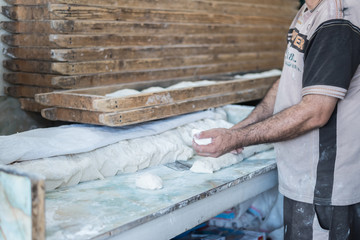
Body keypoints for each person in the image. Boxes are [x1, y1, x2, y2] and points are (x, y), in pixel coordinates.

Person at [192, 0, 360, 239]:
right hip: (305, 182)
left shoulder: (337, 19)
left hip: (326, 188)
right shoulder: (308, 10)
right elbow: (290, 80)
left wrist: (237, 138)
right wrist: (240, 129)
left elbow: (316, 111)